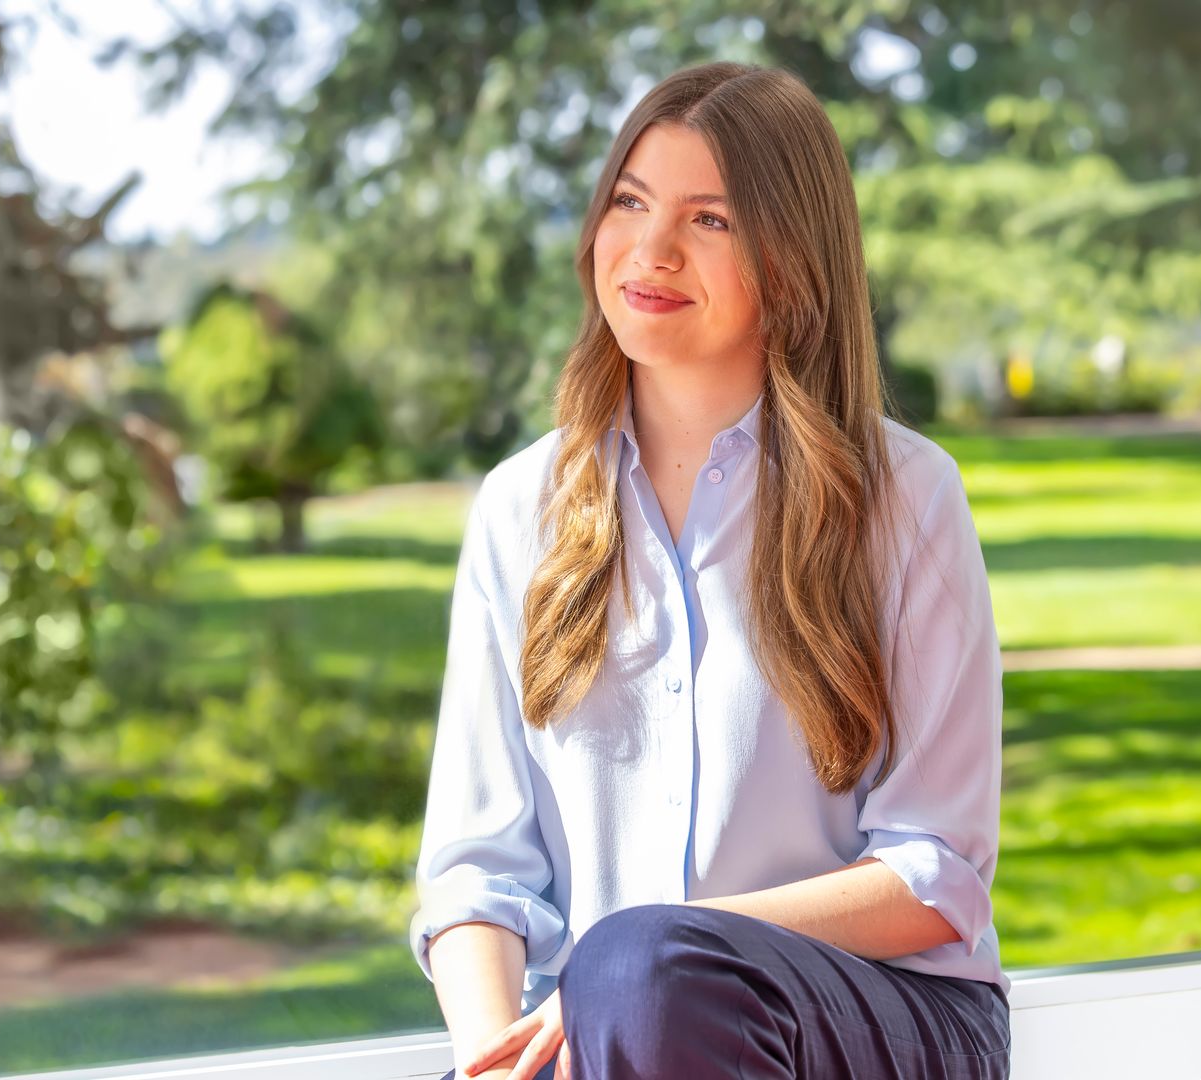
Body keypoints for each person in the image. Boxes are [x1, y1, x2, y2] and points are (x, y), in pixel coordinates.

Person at [409, 61, 1011, 1080]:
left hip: (886, 1022)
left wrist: (661, 954)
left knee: (643, 975)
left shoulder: (906, 497)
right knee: (628, 993)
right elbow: (477, 871)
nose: (650, 250)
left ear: (791, 258)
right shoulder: (522, 510)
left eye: (710, 220)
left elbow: (933, 876)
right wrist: (489, 1059)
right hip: (612, 1038)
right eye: (630, 203)